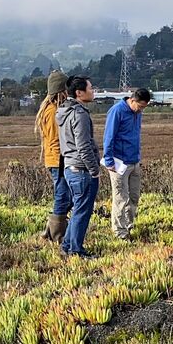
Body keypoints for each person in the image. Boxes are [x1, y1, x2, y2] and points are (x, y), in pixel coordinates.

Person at [54, 75, 101, 257]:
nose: (93, 91)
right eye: (90, 88)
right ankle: (76, 250)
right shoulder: (79, 114)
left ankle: (67, 245)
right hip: (81, 169)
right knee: (82, 211)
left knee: (78, 210)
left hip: (70, 167)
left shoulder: (64, 111)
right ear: (79, 93)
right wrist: (94, 170)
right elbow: (83, 145)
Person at [100, 87, 153, 240]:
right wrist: (108, 159)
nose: (141, 110)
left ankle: (129, 225)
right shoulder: (117, 111)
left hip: (134, 161)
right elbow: (108, 136)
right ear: (132, 100)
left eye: (144, 107)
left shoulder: (138, 113)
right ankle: (120, 232)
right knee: (121, 198)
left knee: (134, 196)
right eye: (140, 106)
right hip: (119, 162)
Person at [35, 70, 69, 241]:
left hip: (56, 160)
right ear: (61, 91)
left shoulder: (52, 108)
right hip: (58, 161)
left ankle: (51, 230)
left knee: (63, 195)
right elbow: (56, 139)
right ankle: (57, 234)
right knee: (63, 196)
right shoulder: (52, 111)